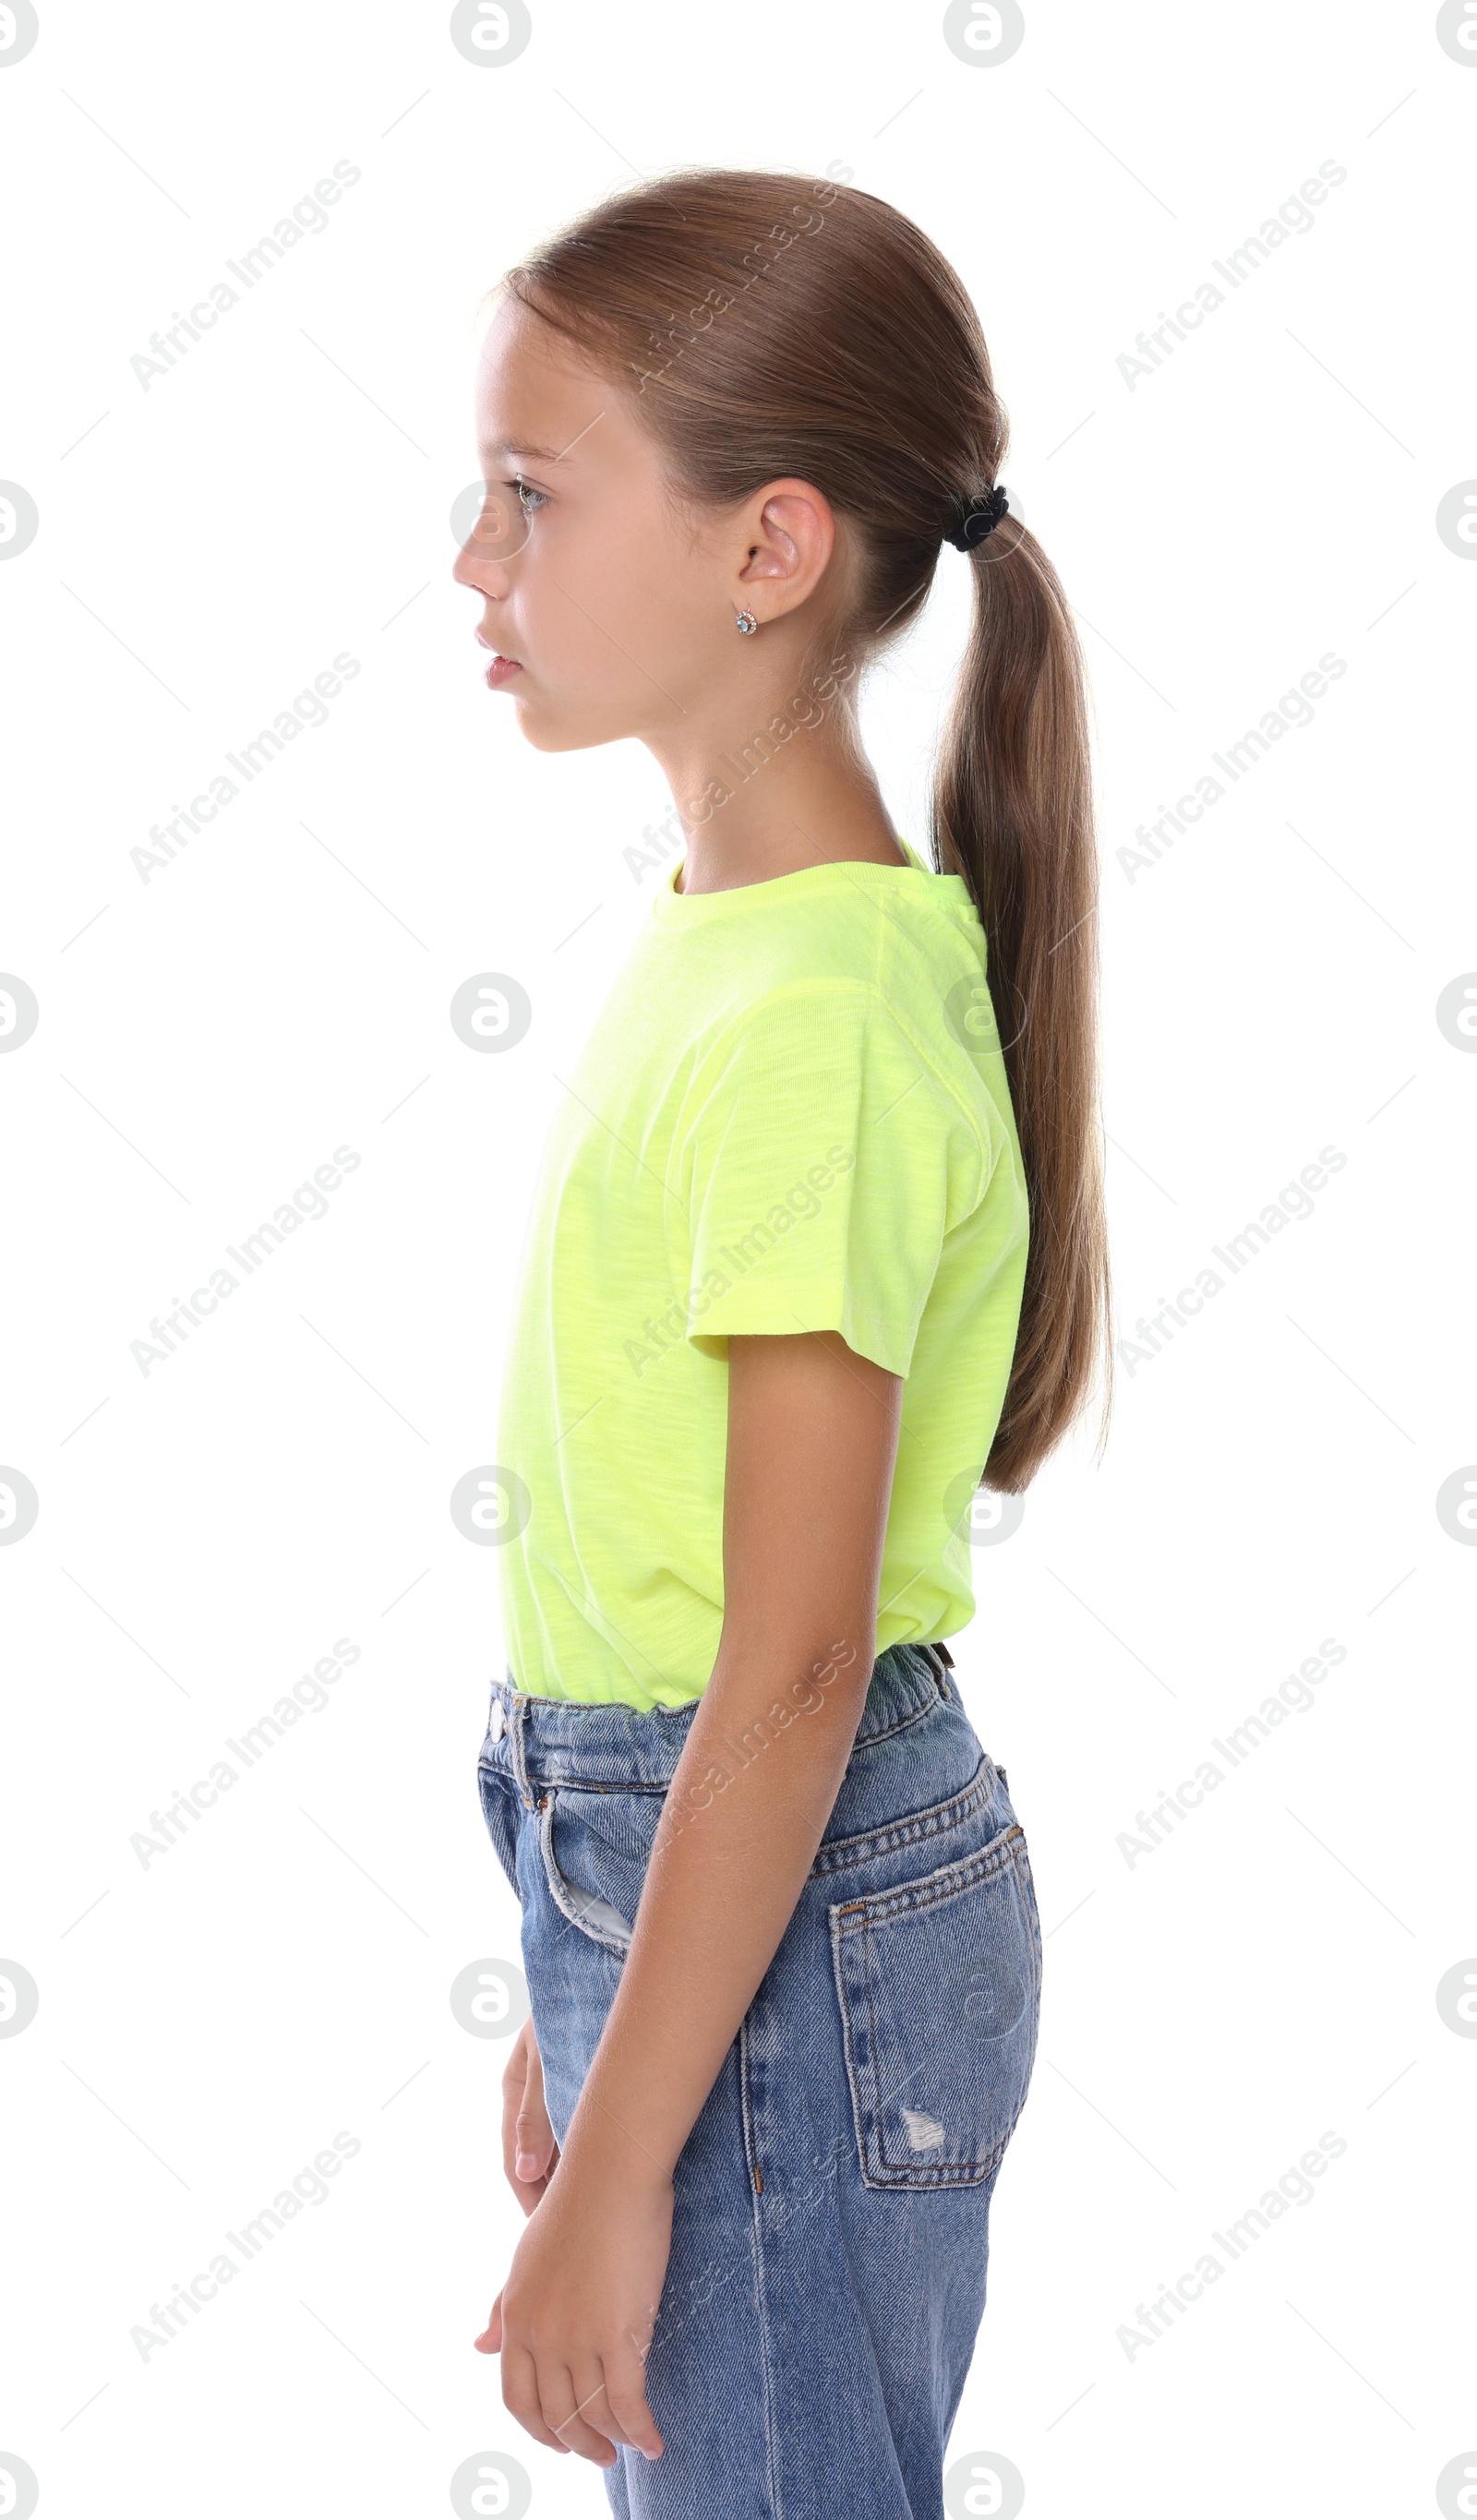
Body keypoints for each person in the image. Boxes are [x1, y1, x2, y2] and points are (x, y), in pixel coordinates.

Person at [456, 166, 1111, 2519]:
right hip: (699, 1888)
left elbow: (797, 1659)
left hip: (785, 1883)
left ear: (766, 553)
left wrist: (639, 2143)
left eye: (531, 497)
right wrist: (596, 1985)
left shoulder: (815, 1010)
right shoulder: (751, 947)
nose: (474, 560)